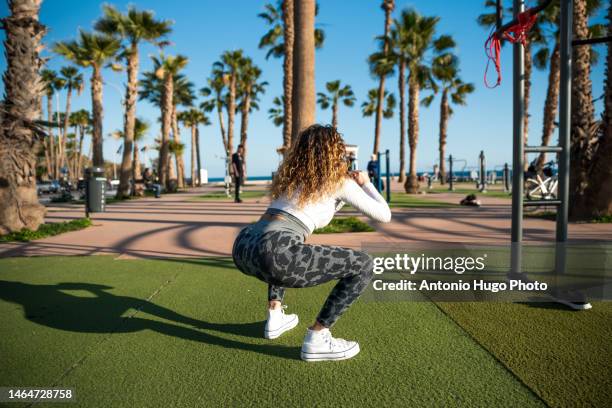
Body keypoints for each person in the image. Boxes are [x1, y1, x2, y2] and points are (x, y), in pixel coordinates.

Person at [232, 125, 391, 362]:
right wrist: (366, 183)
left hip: (243, 246)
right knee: (364, 264)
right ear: (335, 153)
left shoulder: (288, 179)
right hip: (274, 253)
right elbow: (384, 214)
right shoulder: (339, 182)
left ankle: (275, 315)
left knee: (282, 247)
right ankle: (318, 337)